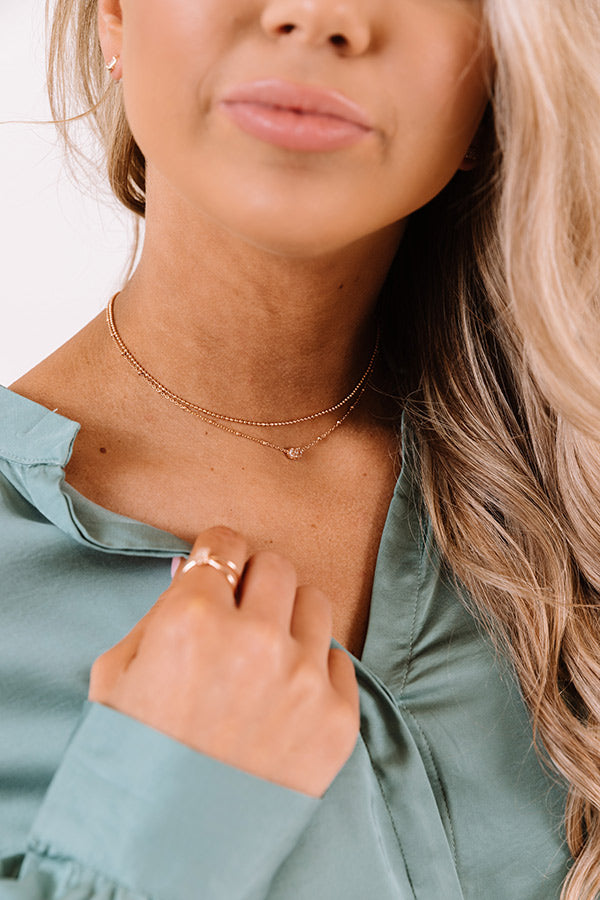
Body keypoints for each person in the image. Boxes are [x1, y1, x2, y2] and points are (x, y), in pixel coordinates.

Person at [1, 0, 599, 897]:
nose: (317, 16)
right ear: (115, 15)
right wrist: (146, 836)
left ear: (497, 79)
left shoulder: (574, 493)